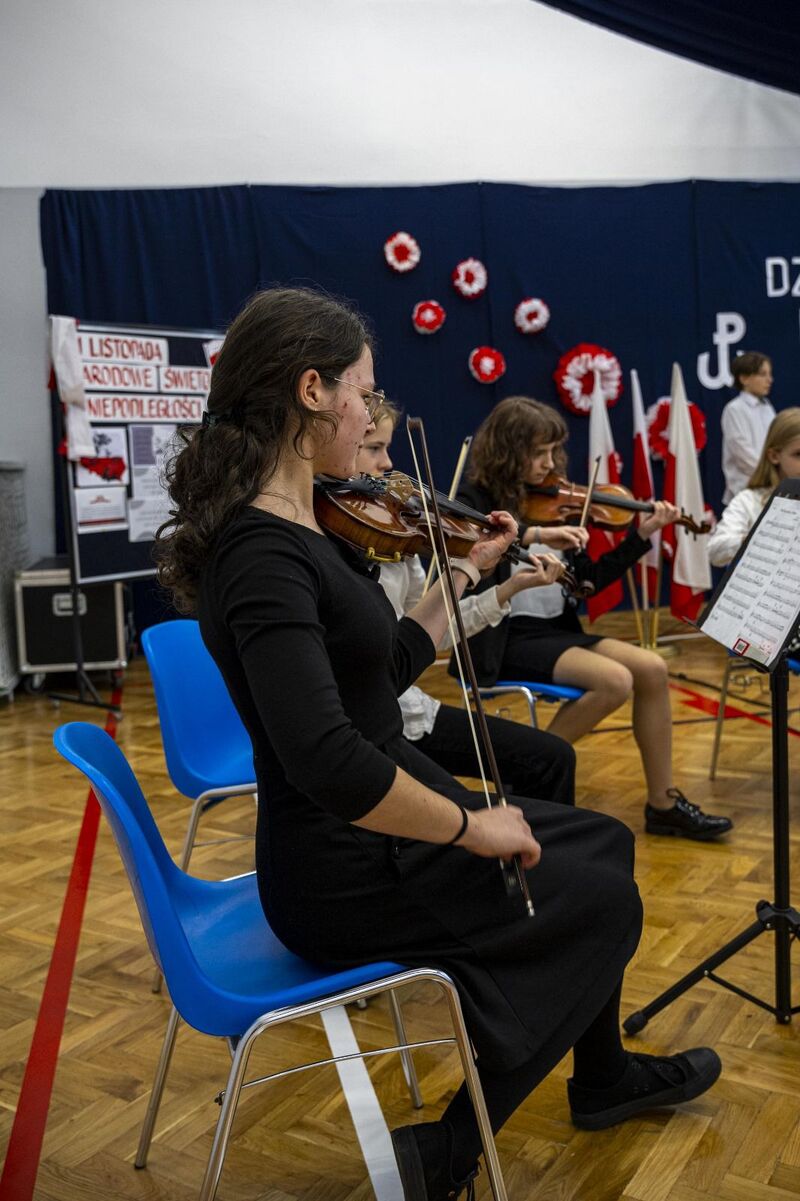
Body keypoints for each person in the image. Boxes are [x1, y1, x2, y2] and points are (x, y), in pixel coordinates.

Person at [155, 289, 721, 1201]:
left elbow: (375, 670)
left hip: (378, 826)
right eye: (363, 392)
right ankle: (447, 1153)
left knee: (606, 845)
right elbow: (327, 759)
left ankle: (601, 1072)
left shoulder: (304, 524)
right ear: (312, 391)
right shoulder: (263, 556)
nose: (374, 416)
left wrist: (460, 572)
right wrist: (467, 827)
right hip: (342, 863)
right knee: (604, 904)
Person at [454, 395, 734, 842]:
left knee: (653, 668)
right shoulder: (474, 500)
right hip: (499, 634)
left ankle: (663, 803)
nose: (549, 464)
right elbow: (474, 539)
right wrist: (536, 533)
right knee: (615, 681)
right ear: (508, 450)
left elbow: (586, 584)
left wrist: (639, 537)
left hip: (552, 633)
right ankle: (527, 778)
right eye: (538, 452)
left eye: (553, 452)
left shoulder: (559, 501)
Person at [356, 398, 576, 808]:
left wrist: (507, 590)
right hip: (371, 729)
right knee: (473, 816)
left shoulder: (397, 547)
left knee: (554, 757)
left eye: (388, 448)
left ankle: (537, 866)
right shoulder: (329, 546)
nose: (388, 464)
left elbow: (430, 638)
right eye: (374, 448)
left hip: (412, 712)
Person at [710, 407, 800, 566]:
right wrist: (758, 538)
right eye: (798, 455)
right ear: (774, 456)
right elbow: (715, 550)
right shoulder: (749, 500)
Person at [721, 351, 776, 504]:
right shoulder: (734, 409)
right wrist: (770, 473)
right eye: (762, 374)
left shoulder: (767, 408)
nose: (769, 380)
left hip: (770, 489)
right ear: (744, 378)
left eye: (770, 374)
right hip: (745, 491)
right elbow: (742, 453)